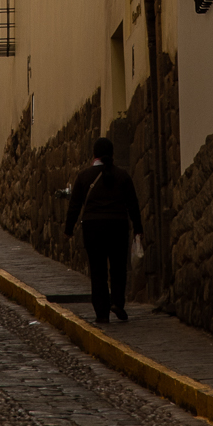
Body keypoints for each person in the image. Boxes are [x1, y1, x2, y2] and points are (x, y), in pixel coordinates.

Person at [64, 137, 144, 325]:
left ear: (94, 155)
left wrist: (69, 229)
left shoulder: (84, 177)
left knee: (98, 269)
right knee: (118, 267)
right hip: (118, 225)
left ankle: (101, 312)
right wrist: (138, 229)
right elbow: (133, 204)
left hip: (93, 227)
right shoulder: (122, 176)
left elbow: (74, 205)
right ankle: (117, 302)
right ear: (112, 154)